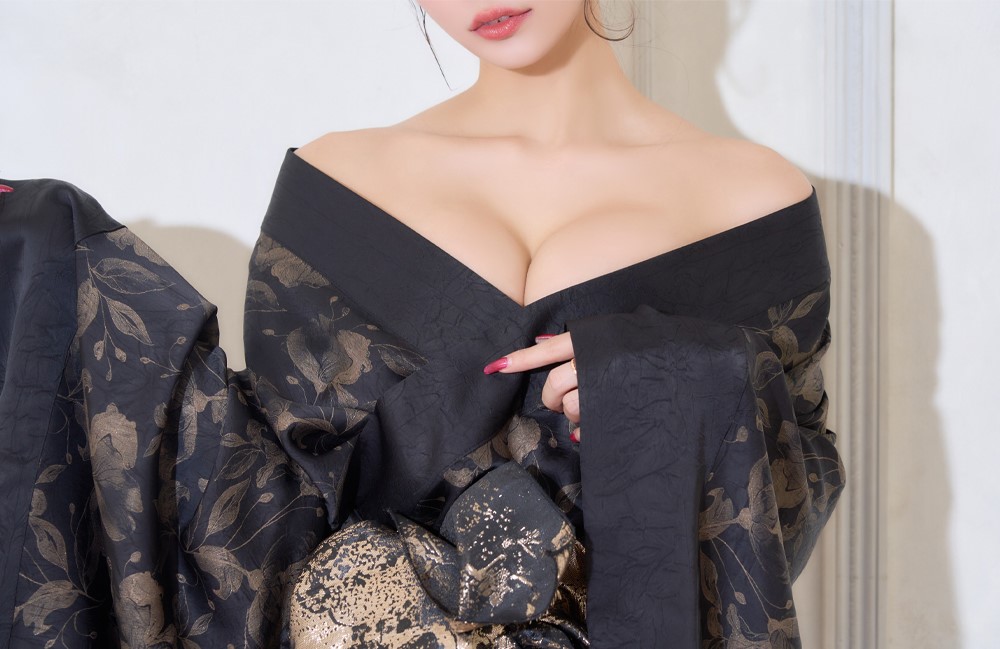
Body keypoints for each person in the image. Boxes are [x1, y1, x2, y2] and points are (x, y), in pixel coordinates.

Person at [0, 1, 844, 647]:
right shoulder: (334, 183)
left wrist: (669, 386)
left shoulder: (754, 201)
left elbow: (791, 503)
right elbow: (270, 507)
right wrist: (45, 250)